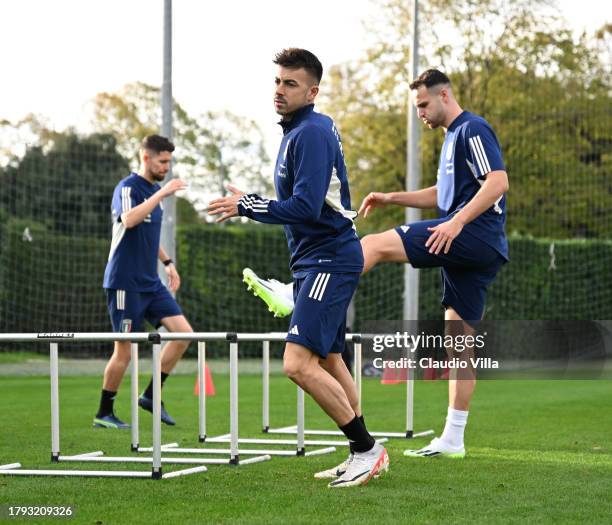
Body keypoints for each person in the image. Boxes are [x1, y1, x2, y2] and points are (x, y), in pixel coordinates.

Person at [242, 68, 509, 459]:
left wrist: (455, 223)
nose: (420, 113)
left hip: (473, 234)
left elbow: (497, 182)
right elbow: (445, 194)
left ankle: (298, 291)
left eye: (423, 104)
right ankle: (454, 436)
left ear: (445, 95)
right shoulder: (452, 138)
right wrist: (392, 198)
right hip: (472, 244)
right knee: (459, 339)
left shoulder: (472, 129)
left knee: (374, 244)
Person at [208, 48, 389, 488]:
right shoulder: (297, 132)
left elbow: (306, 207)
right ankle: (359, 452)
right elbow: (303, 204)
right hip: (316, 259)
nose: (279, 90)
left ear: (312, 90)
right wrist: (252, 201)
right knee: (329, 359)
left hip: (330, 256)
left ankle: (367, 449)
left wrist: (247, 205)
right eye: (277, 81)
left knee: (296, 363)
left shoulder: (310, 132)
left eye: (290, 83)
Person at [94, 135, 193, 429]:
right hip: (124, 283)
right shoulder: (127, 188)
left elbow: (149, 236)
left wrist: (168, 263)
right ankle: (104, 412)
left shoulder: (153, 192)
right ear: (146, 157)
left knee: (184, 334)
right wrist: (161, 195)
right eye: (163, 162)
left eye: (169, 162)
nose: (167, 168)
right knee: (124, 350)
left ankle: (151, 396)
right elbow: (131, 219)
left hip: (151, 283)